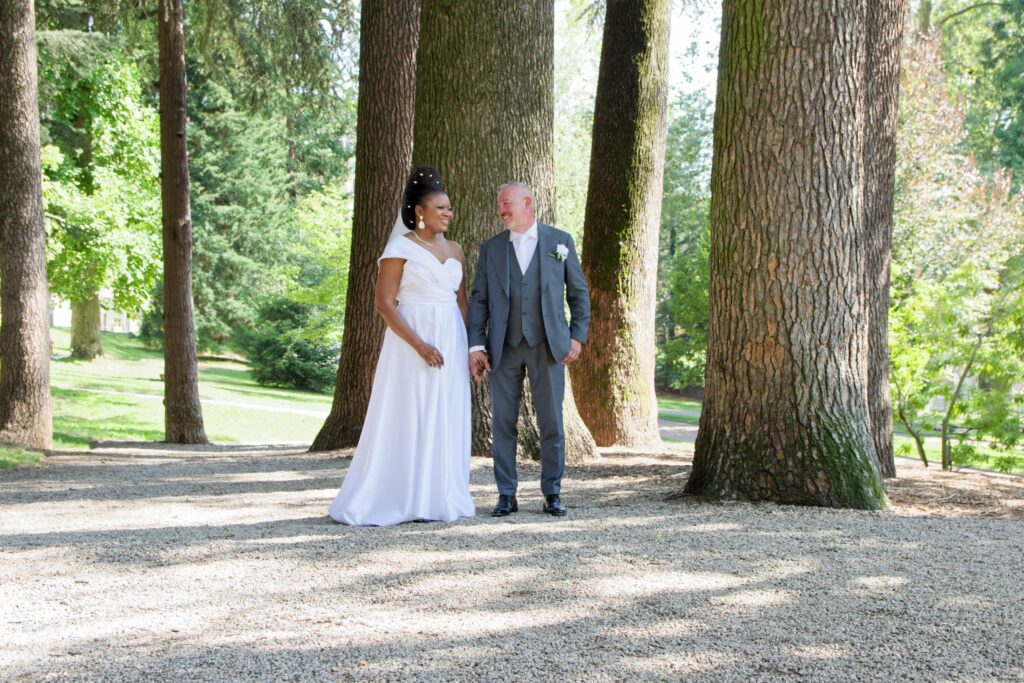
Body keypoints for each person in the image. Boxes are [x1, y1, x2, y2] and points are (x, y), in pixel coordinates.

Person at [328, 166, 475, 526]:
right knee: (411, 410)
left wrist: (472, 348)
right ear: (419, 212)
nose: (447, 213)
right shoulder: (399, 247)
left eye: (449, 208)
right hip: (411, 339)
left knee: (445, 411)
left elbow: (462, 302)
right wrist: (420, 344)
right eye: (439, 207)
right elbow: (384, 303)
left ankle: (439, 494)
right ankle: (401, 494)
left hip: (451, 338)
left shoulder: (455, 250)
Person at [467, 182, 591, 517]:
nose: (501, 209)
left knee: (551, 423)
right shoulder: (491, 248)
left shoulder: (559, 243)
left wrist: (577, 337)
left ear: (527, 203)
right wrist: (476, 344)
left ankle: (552, 492)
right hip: (503, 349)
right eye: (499, 204)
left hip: (549, 346)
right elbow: (479, 300)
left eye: (506, 203)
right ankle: (506, 494)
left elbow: (578, 293)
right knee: (502, 424)